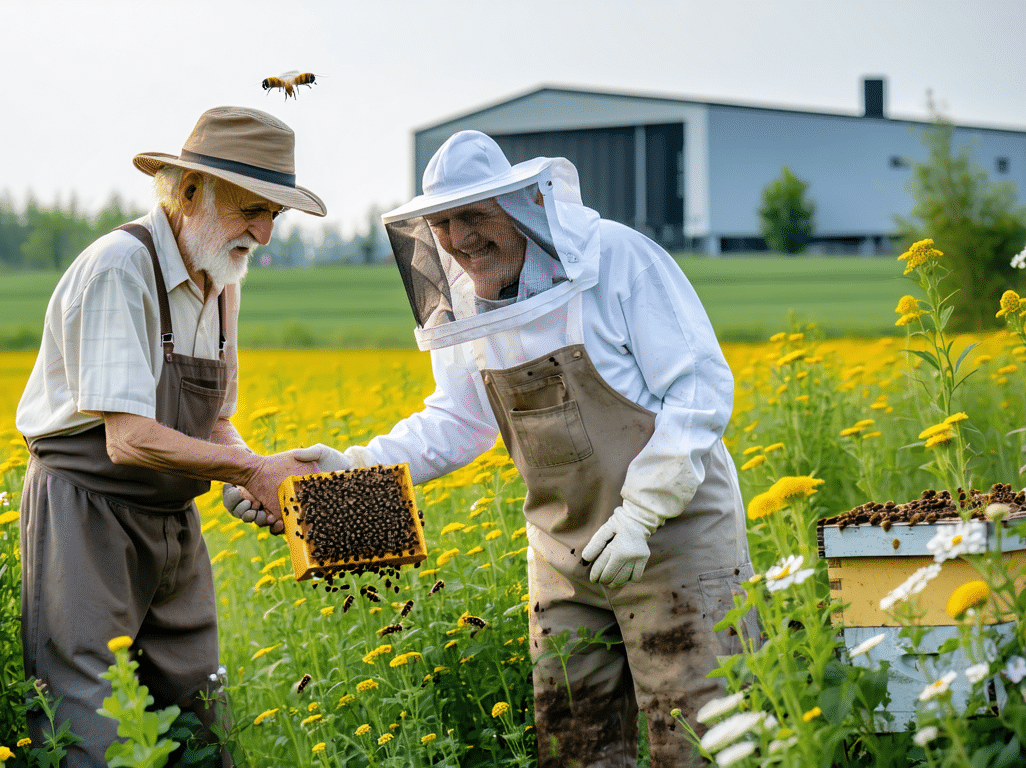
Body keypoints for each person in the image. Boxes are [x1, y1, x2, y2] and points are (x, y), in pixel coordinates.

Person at [229, 131, 757, 768]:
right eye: (443, 223)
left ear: (525, 206)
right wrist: (344, 471)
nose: (459, 238)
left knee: (704, 738)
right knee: (574, 744)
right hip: (563, 557)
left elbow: (699, 390)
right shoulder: (465, 303)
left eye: (474, 216)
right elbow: (455, 422)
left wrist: (644, 512)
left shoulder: (618, 260)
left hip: (674, 538)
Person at [17, 106, 327, 767]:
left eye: (276, 215)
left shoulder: (223, 279)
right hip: (87, 513)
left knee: (199, 711)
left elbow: (213, 419)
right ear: (189, 191)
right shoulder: (119, 268)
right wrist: (250, 470)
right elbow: (127, 438)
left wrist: (255, 477)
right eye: (252, 209)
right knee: (94, 723)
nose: (265, 234)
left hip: (171, 521)